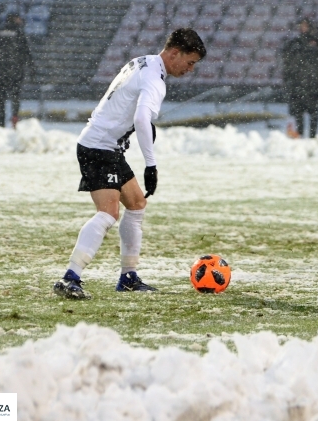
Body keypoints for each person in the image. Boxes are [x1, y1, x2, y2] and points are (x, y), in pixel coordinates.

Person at [53, 28, 206, 300]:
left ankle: (128, 277)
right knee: (108, 213)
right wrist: (151, 164)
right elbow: (140, 119)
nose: (190, 69)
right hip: (99, 147)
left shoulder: (142, 61)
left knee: (136, 204)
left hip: (106, 146)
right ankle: (69, 278)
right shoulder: (155, 81)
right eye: (190, 62)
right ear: (174, 53)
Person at [0, 13, 35, 128]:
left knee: (0, 99)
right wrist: (32, 69)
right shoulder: (20, 33)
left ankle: (0, 124)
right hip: (16, 71)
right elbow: (28, 53)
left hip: (1, 71)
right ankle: (14, 119)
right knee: (16, 97)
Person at [280, 18, 318, 138]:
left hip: (312, 84)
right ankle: (300, 136)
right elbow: (287, 61)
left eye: (305, 25)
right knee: (298, 113)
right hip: (299, 83)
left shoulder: (317, 43)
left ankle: (313, 137)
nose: (303, 28)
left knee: (313, 112)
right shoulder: (296, 43)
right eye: (301, 25)